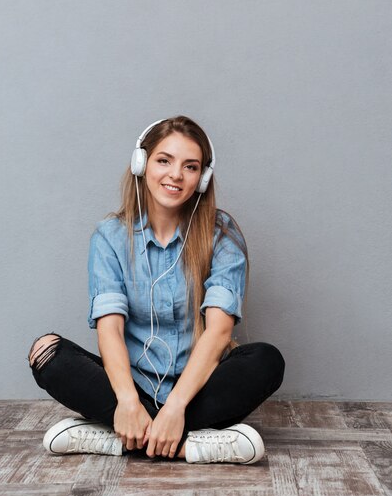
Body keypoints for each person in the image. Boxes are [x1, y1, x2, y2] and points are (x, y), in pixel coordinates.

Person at [28, 116, 285, 464]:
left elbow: (219, 331)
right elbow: (110, 330)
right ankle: (192, 445)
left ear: (203, 177)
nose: (176, 175)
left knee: (267, 360)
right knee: (47, 353)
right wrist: (128, 402)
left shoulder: (222, 235)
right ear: (141, 164)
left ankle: (118, 439)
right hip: (130, 388)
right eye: (164, 160)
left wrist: (177, 406)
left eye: (190, 166)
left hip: (197, 390)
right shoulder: (110, 236)